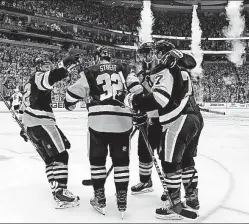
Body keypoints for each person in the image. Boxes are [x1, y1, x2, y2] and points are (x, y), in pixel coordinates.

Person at [124, 40, 203, 220]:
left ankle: (174, 204)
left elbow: (159, 99)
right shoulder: (177, 68)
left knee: (169, 162)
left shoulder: (164, 68)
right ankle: (191, 198)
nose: (150, 57)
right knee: (185, 159)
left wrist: (135, 102)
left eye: (154, 53)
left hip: (177, 119)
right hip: (192, 117)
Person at [64, 46, 138, 217]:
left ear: (97, 57)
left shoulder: (90, 70)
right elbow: (136, 88)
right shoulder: (124, 68)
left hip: (99, 121)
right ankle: (121, 200)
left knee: (97, 161)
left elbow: (72, 93)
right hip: (123, 122)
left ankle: (99, 198)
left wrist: (69, 104)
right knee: (121, 163)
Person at [19, 53, 81, 209]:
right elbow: (48, 79)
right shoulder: (37, 77)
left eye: (49, 65)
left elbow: (23, 106)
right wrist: (63, 66)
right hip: (42, 122)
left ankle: (55, 187)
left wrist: (23, 127)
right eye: (45, 66)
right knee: (61, 154)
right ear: (38, 67)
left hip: (31, 124)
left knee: (50, 159)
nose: (47, 68)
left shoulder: (29, 83)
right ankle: (61, 193)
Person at [129, 42, 164, 197]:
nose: (145, 57)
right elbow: (136, 97)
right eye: (142, 54)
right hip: (149, 120)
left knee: (166, 155)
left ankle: (171, 187)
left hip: (165, 120)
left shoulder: (163, 71)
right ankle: (145, 181)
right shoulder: (141, 75)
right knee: (143, 151)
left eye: (147, 53)